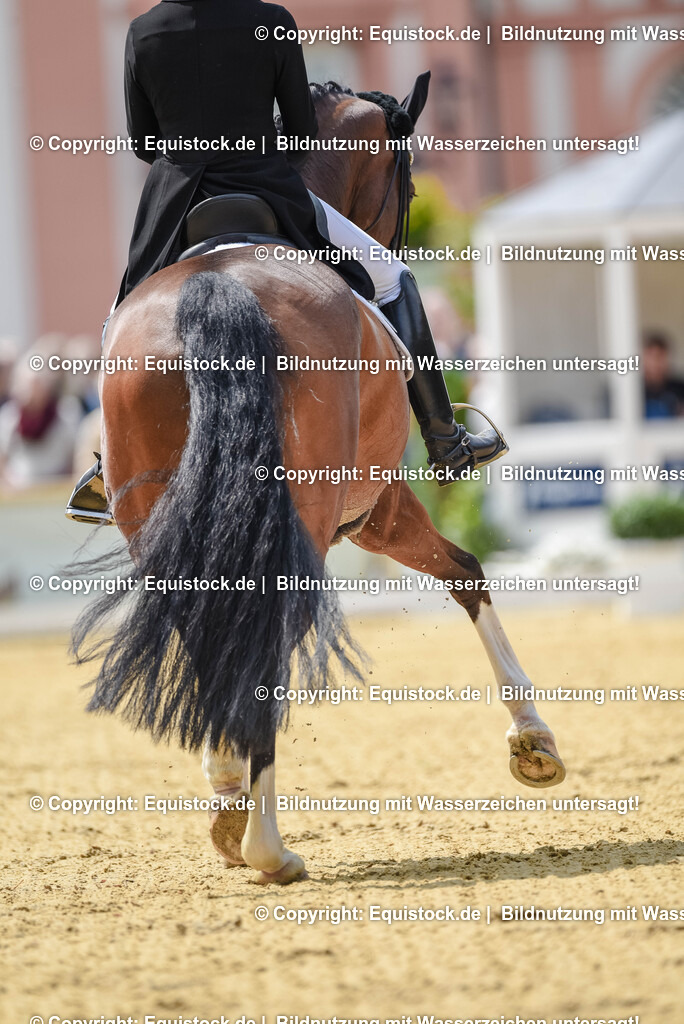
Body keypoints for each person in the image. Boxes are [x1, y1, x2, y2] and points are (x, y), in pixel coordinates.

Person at [67, 0, 506, 524]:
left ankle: (107, 468)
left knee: (121, 319)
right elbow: (300, 128)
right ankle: (445, 440)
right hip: (267, 189)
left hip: (177, 202)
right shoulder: (270, 21)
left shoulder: (143, 31)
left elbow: (144, 141)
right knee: (394, 277)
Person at [642, 331, 684, 419]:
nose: (655, 362)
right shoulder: (633, 390)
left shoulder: (679, 388)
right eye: (651, 356)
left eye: (660, 356)